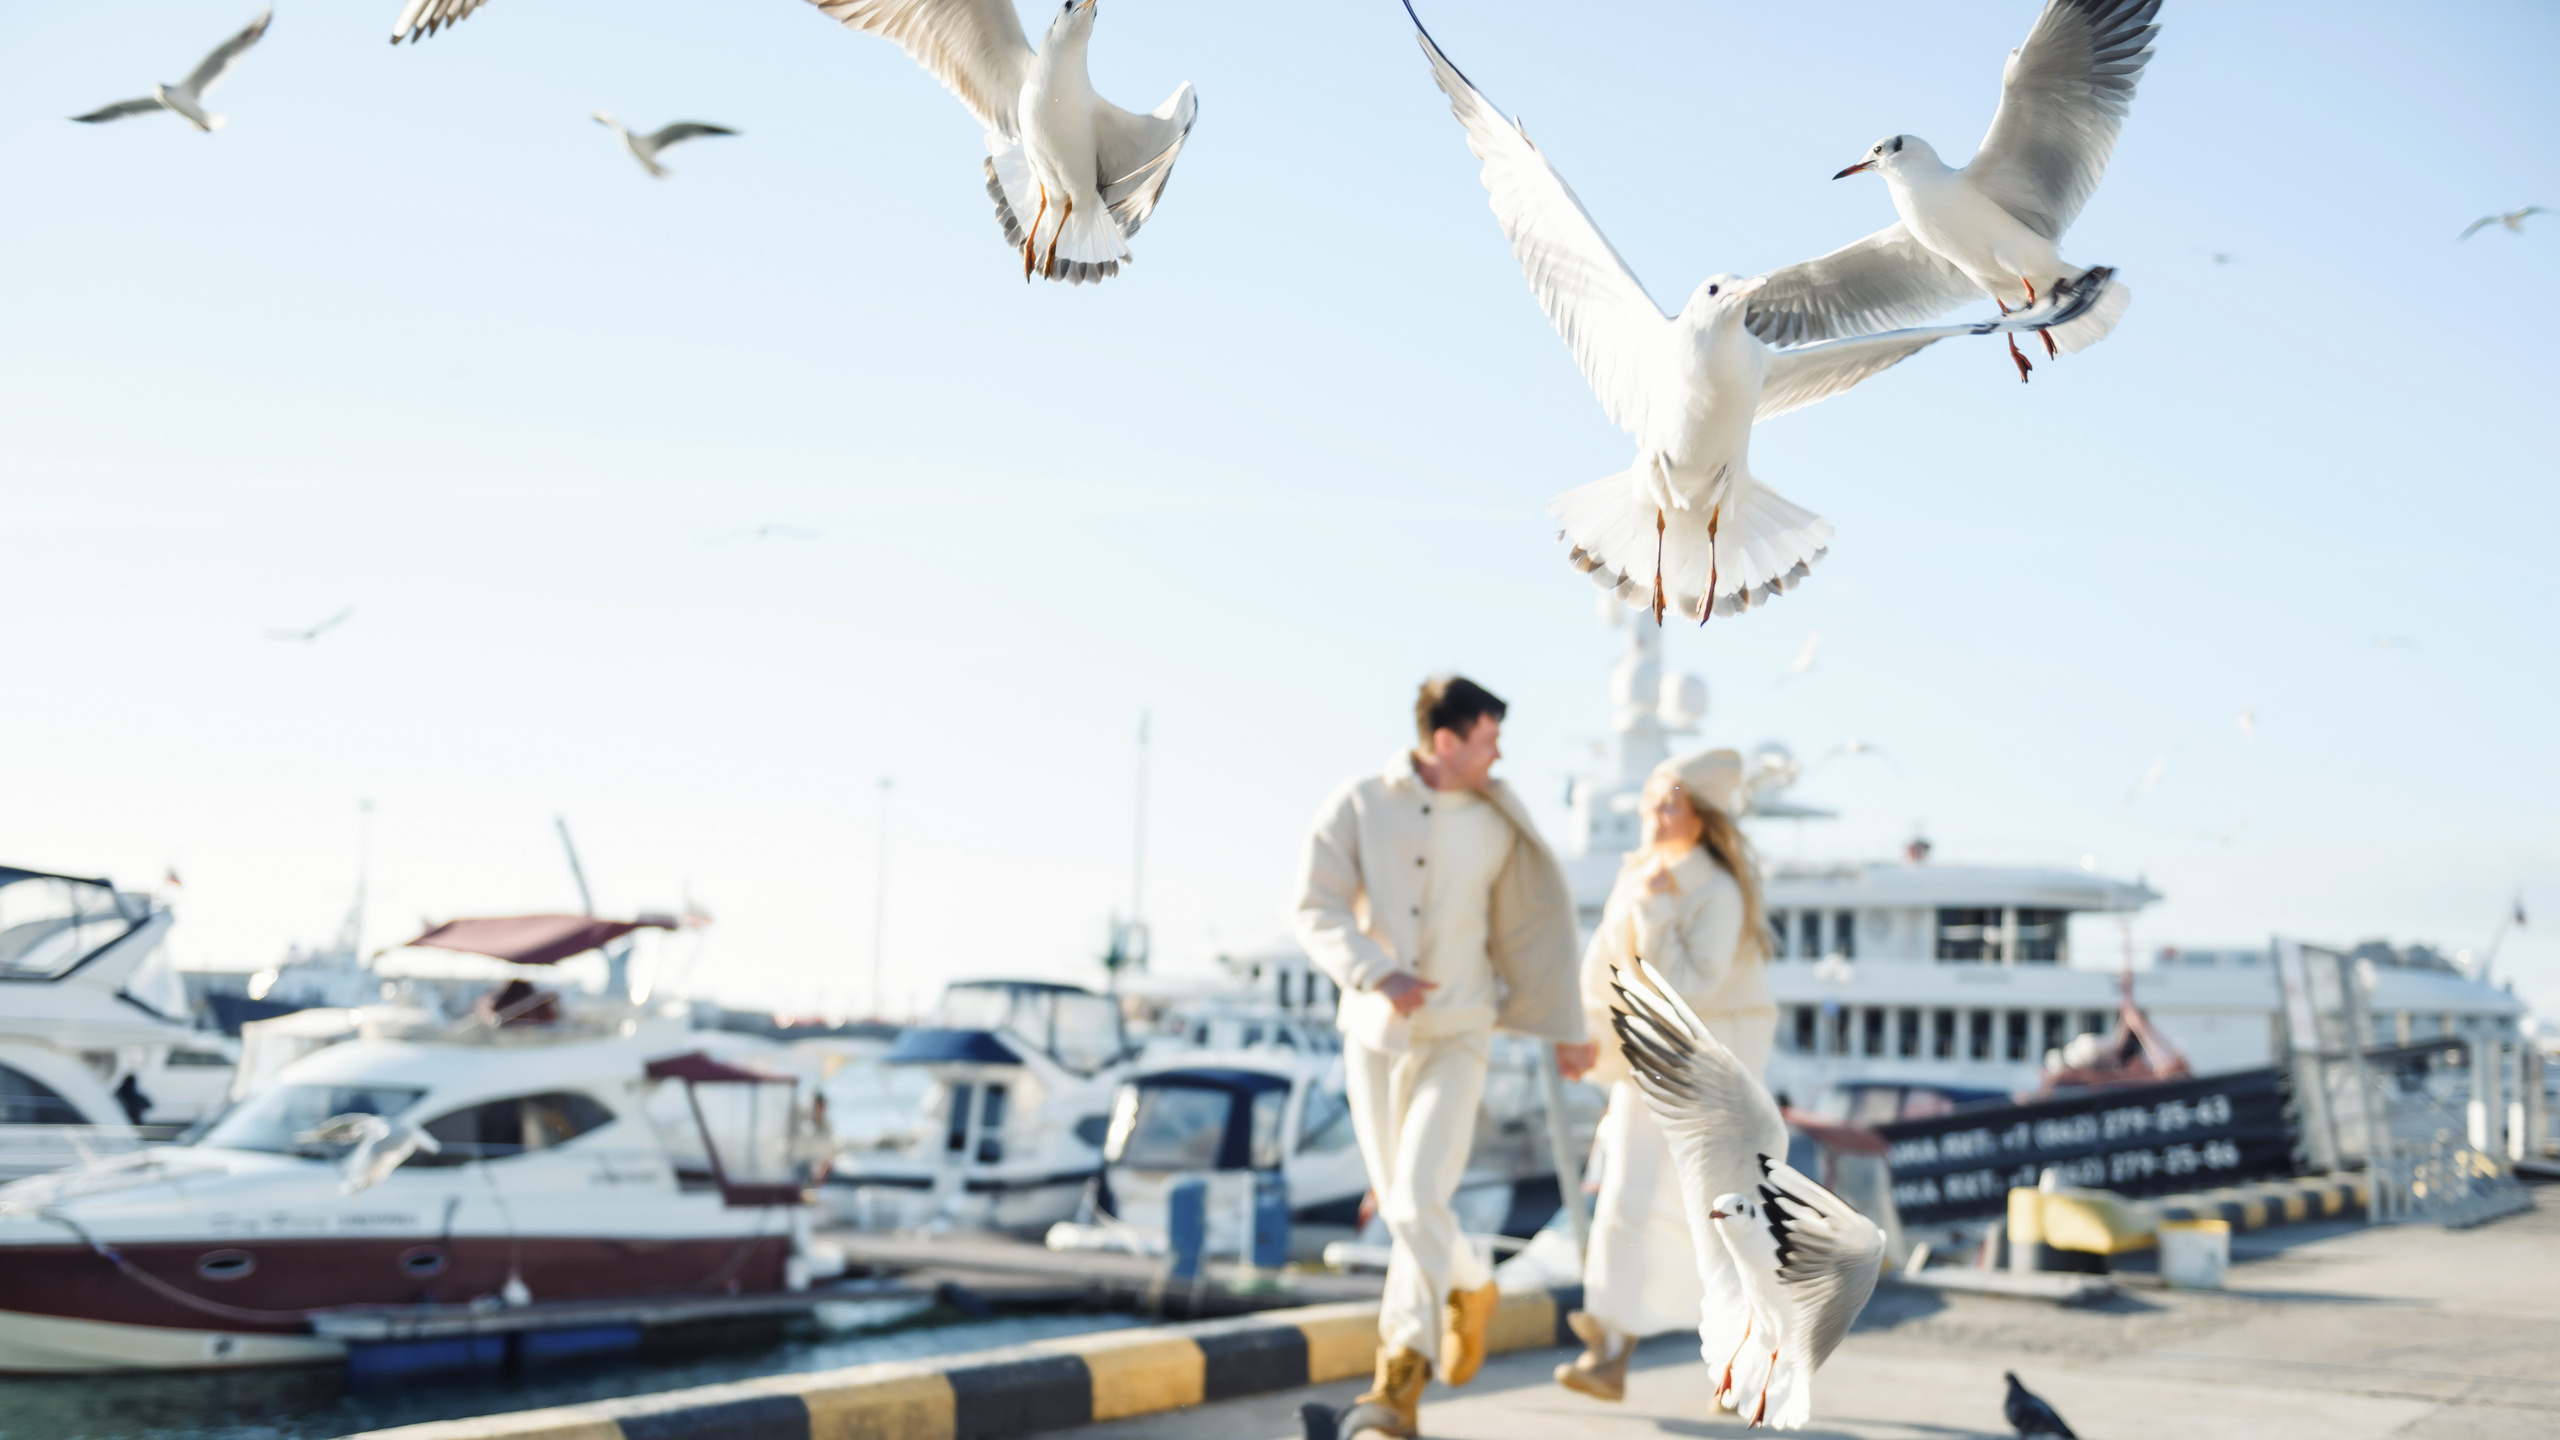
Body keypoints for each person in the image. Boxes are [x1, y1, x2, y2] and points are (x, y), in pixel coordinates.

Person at [1294, 675, 1590, 1439]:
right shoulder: (1360, 802)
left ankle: (1397, 1381)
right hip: (1377, 1036)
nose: (1498, 756)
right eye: (1487, 740)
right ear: (1445, 741)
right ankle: (1469, 1284)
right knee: (1402, 1206)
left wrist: (1566, 1024)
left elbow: (1532, 927)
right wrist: (1376, 970)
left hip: (1461, 1034)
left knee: (1419, 1197)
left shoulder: (1500, 819)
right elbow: (1316, 909)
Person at [1554, 748, 1777, 1402]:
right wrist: (1584, 1038)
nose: (1653, 813)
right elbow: (1604, 965)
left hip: (1708, 1071)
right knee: (1625, 1196)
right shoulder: (1643, 874)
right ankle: (1609, 1347)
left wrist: (1653, 913)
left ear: (1701, 818)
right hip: (1646, 1063)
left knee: (1715, 1215)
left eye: (1669, 802)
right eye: (1651, 800)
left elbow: (1689, 986)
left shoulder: (1717, 888)